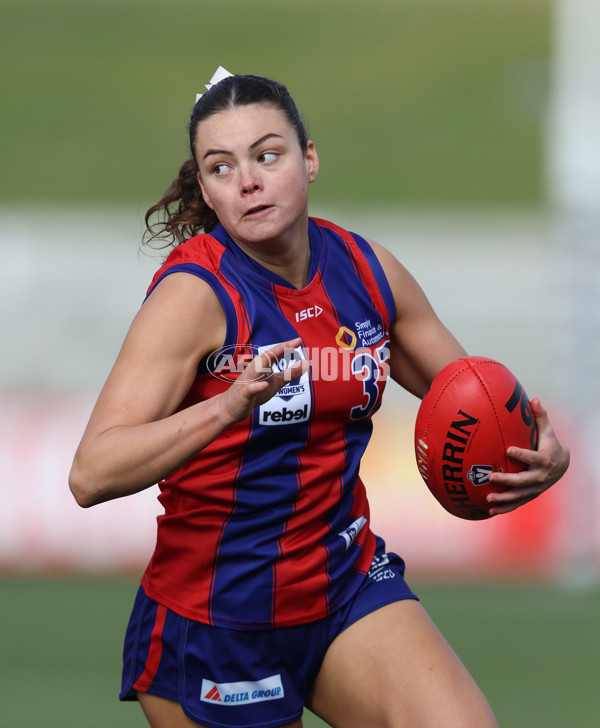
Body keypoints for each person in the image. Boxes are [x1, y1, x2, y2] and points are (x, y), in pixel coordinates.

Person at [69, 69, 570, 728]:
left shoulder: (367, 271)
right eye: (221, 168)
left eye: (267, 155)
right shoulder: (194, 296)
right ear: (207, 192)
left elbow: (471, 396)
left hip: (344, 584)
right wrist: (225, 406)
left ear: (309, 159)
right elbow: (90, 473)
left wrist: (537, 453)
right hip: (219, 619)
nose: (247, 179)